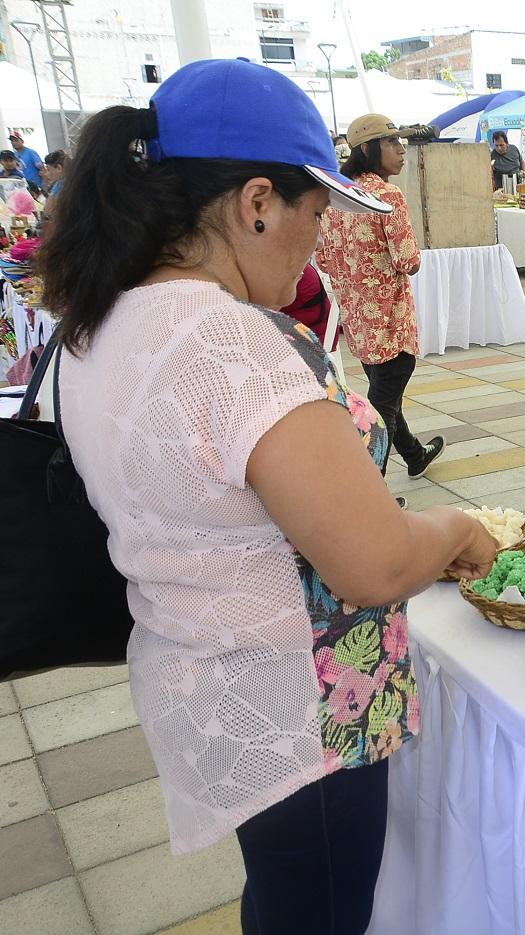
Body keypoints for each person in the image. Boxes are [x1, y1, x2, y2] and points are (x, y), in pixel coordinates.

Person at [36, 58, 499, 933]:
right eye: (315, 214)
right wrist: (457, 527)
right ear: (255, 202)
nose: (319, 240)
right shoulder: (234, 343)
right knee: (315, 909)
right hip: (300, 717)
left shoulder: (104, 318)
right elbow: (373, 562)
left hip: (212, 681)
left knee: (284, 898)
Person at [318, 112, 446, 477]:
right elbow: (409, 261)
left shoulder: (333, 194)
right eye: (391, 142)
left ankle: (415, 455)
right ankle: (370, 489)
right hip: (391, 324)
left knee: (385, 401)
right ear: (367, 149)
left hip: (359, 327)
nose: (401, 150)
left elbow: (323, 258)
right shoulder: (387, 194)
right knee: (380, 412)